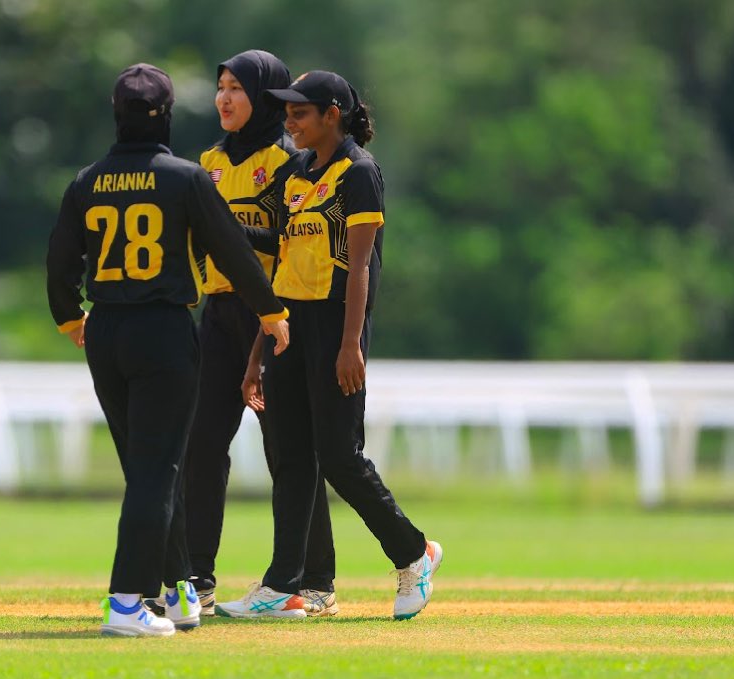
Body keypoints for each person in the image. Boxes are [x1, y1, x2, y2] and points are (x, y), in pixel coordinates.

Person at [47, 63, 291, 637]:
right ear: (167, 116)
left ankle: (181, 589)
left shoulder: (86, 181)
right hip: (163, 331)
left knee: (148, 465)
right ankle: (128, 602)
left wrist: (69, 319)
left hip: (104, 331)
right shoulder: (185, 177)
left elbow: (61, 263)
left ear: (115, 113)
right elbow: (231, 252)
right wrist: (272, 311)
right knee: (158, 471)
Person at [215, 71, 443, 621]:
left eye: (300, 113)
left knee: (340, 457)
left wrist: (350, 345)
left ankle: (414, 554)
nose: (289, 122)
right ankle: (285, 586)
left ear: (332, 115)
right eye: (287, 113)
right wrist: (257, 351)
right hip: (289, 328)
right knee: (291, 458)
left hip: (336, 326)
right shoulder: (297, 172)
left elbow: (361, 265)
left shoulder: (358, 173)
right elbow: (283, 252)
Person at [180, 50, 337, 617]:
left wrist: (223, 226)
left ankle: (313, 581)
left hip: (272, 319)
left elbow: (282, 238)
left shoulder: (288, 163)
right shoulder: (207, 162)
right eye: (220, 86)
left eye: (237, 89)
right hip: (219, 316)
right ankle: (196, 575)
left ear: (265, 97)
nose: (224, 98)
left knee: (289, 449)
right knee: (202, 445)